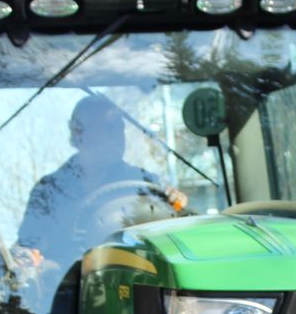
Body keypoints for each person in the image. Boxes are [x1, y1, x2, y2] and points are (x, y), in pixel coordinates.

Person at [14, 93, 183, 275]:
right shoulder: (49, 192)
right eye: (108, 128)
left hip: (137, 283)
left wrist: (178, 203)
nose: (118, 136)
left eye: (120, 128)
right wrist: (27, 256)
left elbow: (171, 236)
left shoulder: (146, 184)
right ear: (78, 134)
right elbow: (28, 248)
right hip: (67, 291)